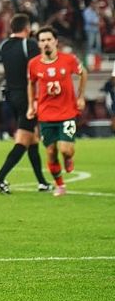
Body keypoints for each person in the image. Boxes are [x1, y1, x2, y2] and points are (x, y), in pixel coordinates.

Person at [0, 14, 52, 194]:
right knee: (24, 139)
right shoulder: (29, 45)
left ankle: (42, 182)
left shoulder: (4, 45)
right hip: (26, 97)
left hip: (11, 96)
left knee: (32, 139)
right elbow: (38, 69)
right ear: (27, 28)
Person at [26, 26, 87, 196]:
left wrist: (81, 97)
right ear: (39, 44)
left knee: (65, 149)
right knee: (51, 152)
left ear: (56, 41)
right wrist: (31, 105)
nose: (46, 43)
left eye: (49, 39)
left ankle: (68, 158)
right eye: (42, 40)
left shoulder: (68, 59)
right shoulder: (33, 64)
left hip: (67, 112)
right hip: (45, 114)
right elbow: (31, 84)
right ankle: (60, 185)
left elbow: (83, 73)